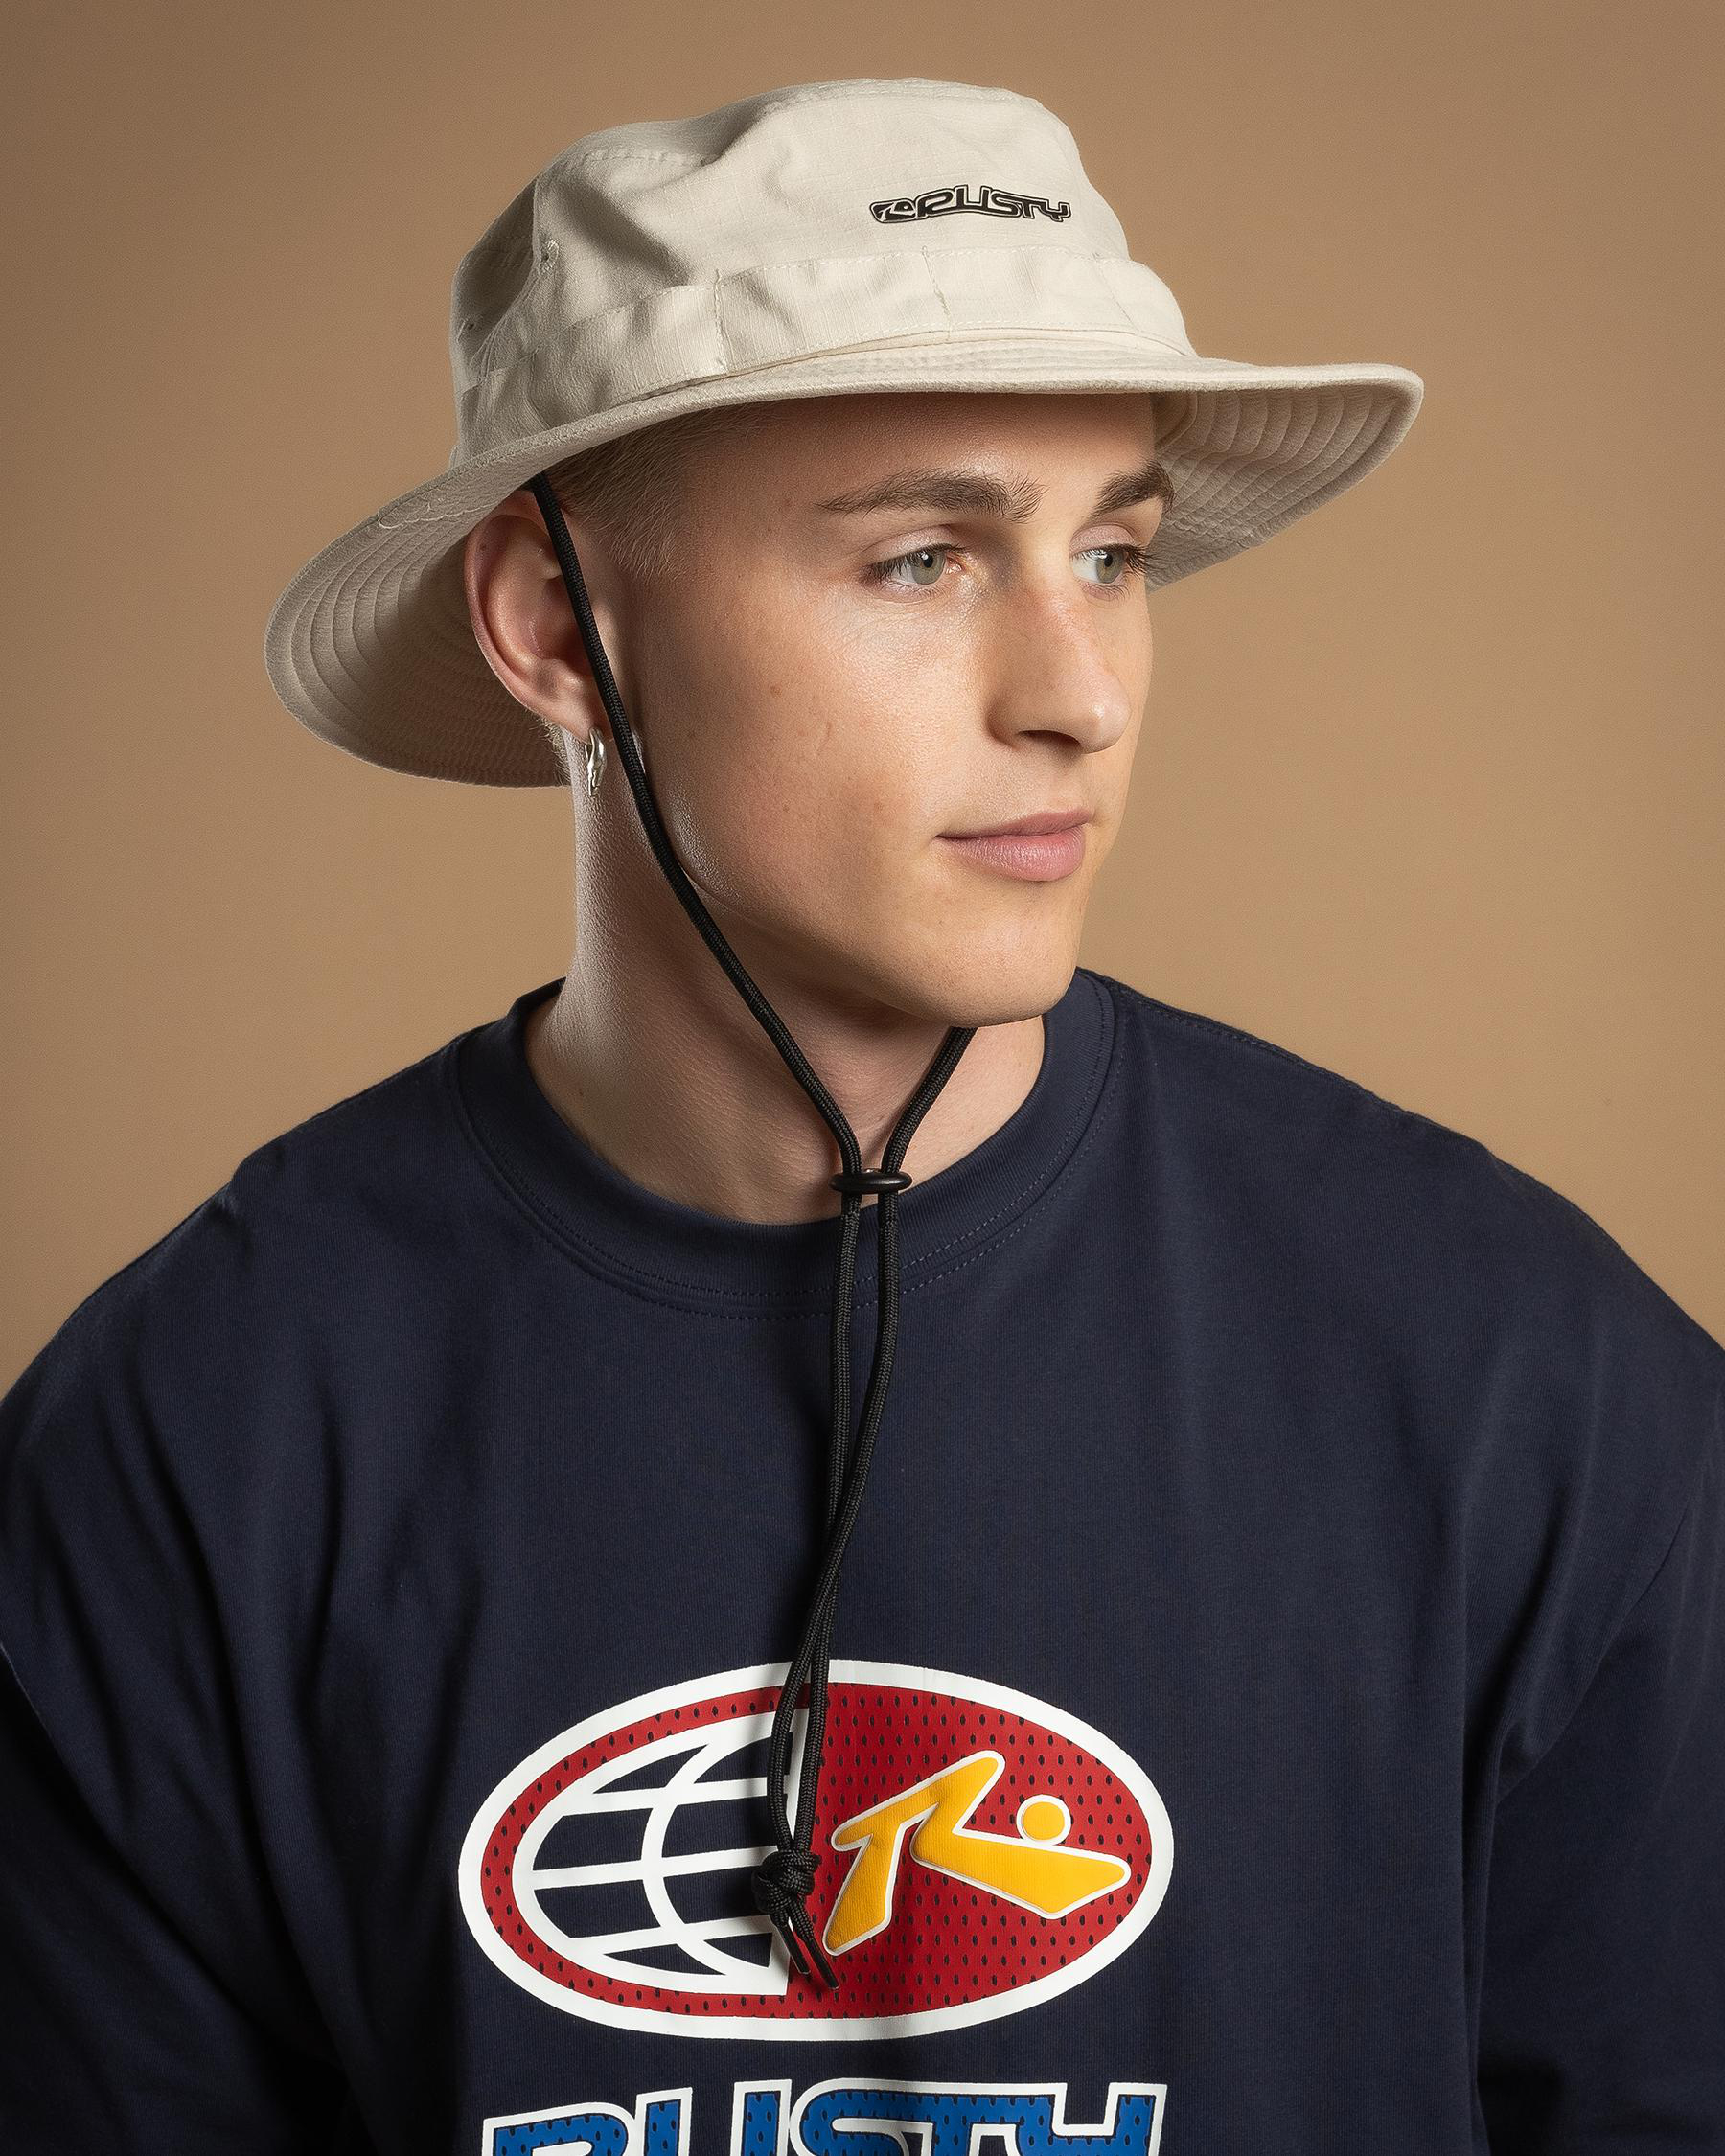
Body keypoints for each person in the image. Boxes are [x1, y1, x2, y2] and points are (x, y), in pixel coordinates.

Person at [1, 73, 1719, 2156]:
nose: (1079, 692)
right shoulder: (192, 1440)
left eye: (1113, 552)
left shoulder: (1524, 1378)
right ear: (556, 627)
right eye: (922, 558)